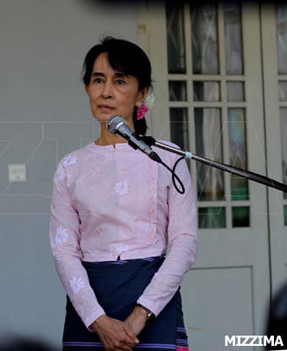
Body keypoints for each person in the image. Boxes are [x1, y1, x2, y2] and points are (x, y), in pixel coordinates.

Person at [49, 36, 198, 351]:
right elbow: (64, 251)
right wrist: (97, 319)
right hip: (89, 308)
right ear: (87, 88)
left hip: (154, 307)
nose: (105, 92)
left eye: (120, 81)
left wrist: (139, 316)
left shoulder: (168, 158)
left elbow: (184, 244)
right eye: (97, 80)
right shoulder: (70, 166)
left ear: (142, 93)